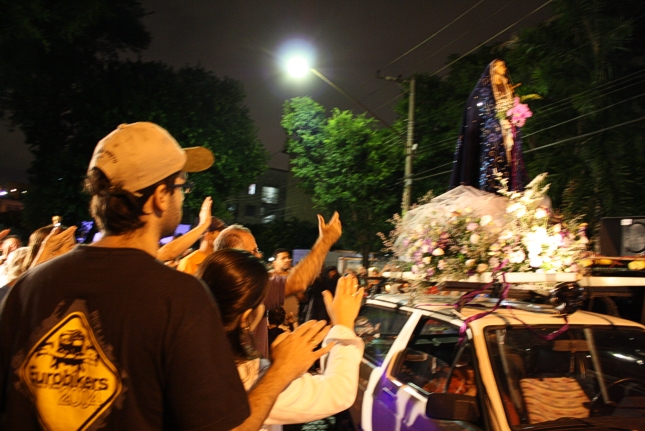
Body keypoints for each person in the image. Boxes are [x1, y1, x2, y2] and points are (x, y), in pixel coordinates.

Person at [0, 122, 325, 431]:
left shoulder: (29, 287)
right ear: (159, 196)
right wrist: (281, 371)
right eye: (182, 186)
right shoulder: (181, 298)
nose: (183, 196)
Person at [197, 249, 364, 431]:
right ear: (246, 317)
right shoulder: (249, 376)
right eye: (262, 302)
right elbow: (337, 392)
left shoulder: (189, 356)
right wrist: (343, 325)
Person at [214, 213, 342, 358]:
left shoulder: (211, 285)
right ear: (235, 256)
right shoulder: (246, 287)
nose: (259, 256)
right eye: (253, 251)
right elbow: (298, 282)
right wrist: (326, 240)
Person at [449, 59, 529, 193]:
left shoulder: (506, 86)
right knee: (493, 164)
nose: (504, 68)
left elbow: (511, 105)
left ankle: (511, 191)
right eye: (501, 65)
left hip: (508, 132)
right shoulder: (483, 90)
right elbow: (477, 110)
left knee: (510, 162)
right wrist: (496, 120)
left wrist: (516, 116)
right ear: (493, 68)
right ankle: (491, 190)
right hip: (492, 134)